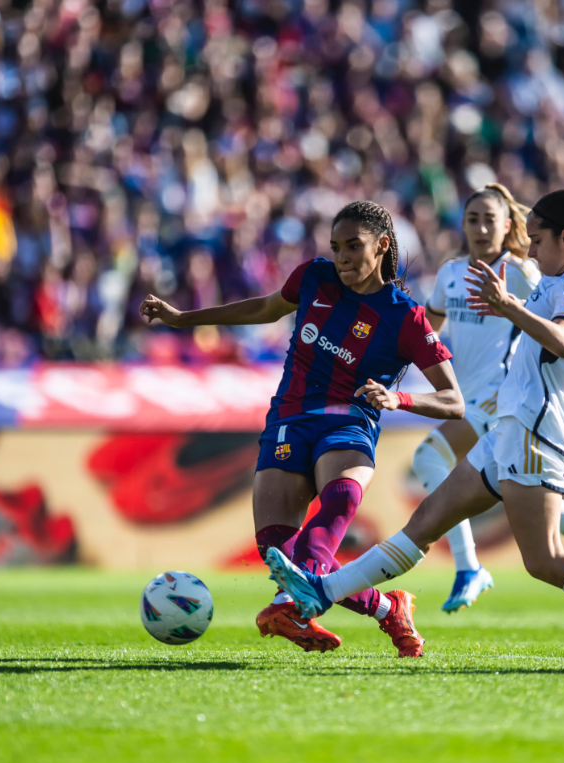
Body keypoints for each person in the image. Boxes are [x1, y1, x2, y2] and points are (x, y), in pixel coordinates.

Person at [264, 179, 564, 670]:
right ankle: (320, 591)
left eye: (537, 240)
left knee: (545, 559)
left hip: (533, 429)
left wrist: (508, 306)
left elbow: (561, 341)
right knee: (425, 523)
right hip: (508, 428)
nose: (531, 251)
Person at [141, 200, 463, 658]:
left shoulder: (405, 316)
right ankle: (386, 607)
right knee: (278, 552)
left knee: (338, 504)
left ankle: (289, 605)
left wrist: (399, 398)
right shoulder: (314, 276)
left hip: (348, 424)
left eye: (354, 246)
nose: (343, 257)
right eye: (336, 247)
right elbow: (264, 308)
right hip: (290, 419)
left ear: (383, 245)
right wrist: (182, 319)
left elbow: (455, 401)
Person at [418, 183, 564, 613]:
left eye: (489, 219)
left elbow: (559, 326)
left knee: (429, 460)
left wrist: (512, 307)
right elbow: (426, 330)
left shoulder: (528, 272)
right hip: (471, 397)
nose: (479, 227)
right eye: (471, 219)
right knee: (529, 501)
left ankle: (467, 566)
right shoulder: (451, 273)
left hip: (504, 400)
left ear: (507, 225)